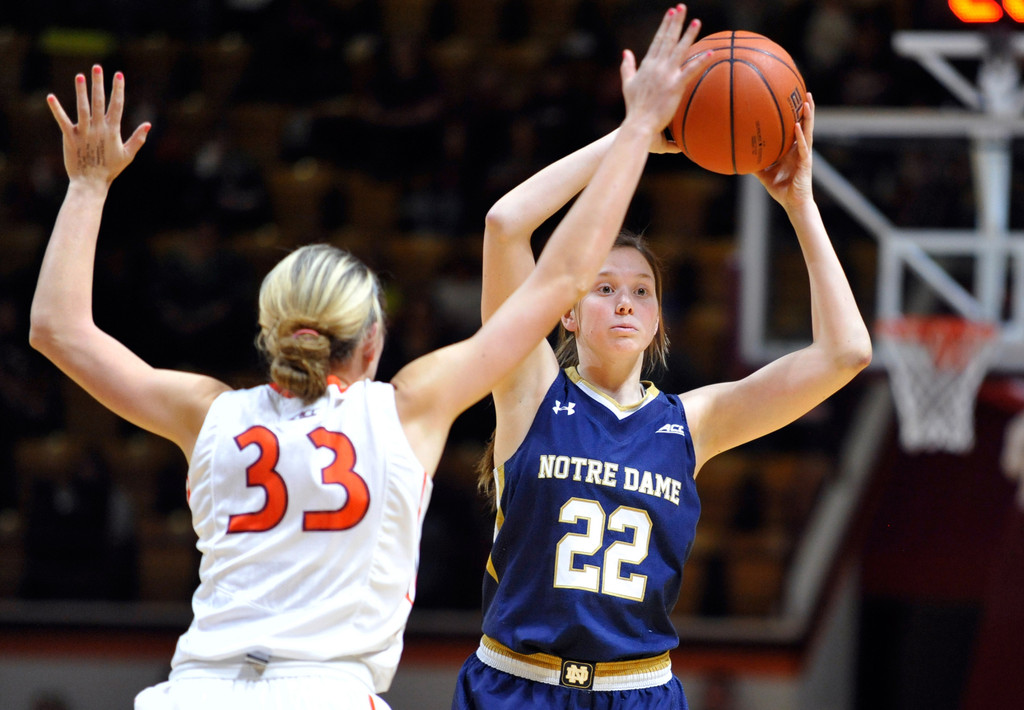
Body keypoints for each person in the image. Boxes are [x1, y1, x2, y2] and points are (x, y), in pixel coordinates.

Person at [29, 8, 711, 709]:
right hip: (326, 692)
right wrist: (635, 130)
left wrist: (87, 186)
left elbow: (56, 329)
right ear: (374, 342)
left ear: (269, 330)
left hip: (195, 691)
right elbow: (559, 275)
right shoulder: (407, 410)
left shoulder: (209, 413)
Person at [452, 70, 872, 710]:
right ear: (567, 312)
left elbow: (847, 353)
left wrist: (800, 204)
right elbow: (506, 223)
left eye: (641, 291)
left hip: (638, 691)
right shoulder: (529, 390)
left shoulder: (693, 421)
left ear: (657, 320)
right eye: (604, 288)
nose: (625, 301)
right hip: (515, 685)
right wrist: (634, 136)